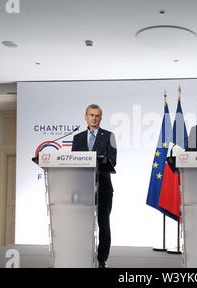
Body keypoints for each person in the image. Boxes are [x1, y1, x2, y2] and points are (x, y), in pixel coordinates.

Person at [72, 104, 117, 268]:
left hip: (103, 186)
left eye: (97, 116)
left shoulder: (109, 136)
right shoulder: (77, 138)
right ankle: (82, 254)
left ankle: (101, 259)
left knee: (103, 223)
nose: (94, 118)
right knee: (82, 223)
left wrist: (99, 160)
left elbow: (113, 160)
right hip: (83, 187)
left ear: (101, 118)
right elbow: (73, 162)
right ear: (86, 117)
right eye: (91, 115)